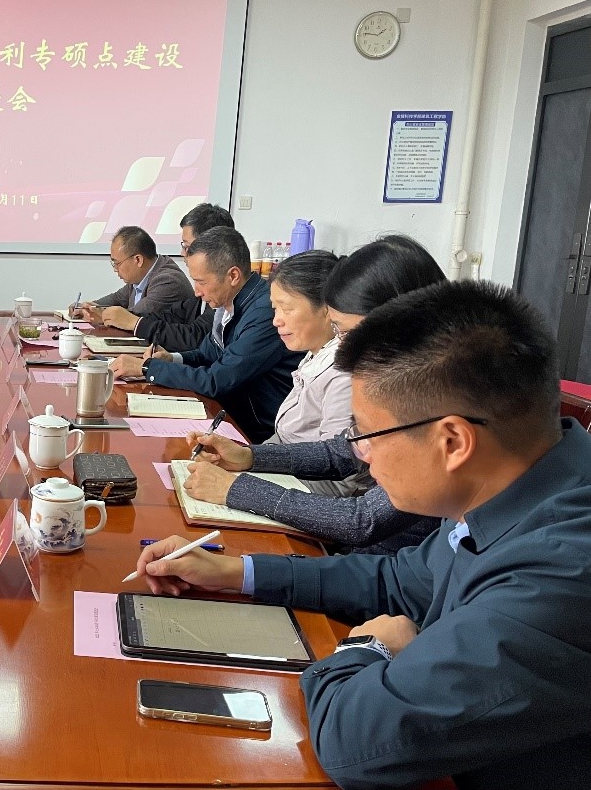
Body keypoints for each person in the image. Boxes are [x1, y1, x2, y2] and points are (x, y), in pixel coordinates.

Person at [137, 280, 591, 789]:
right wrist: (234, 572)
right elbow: (398, 581)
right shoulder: (507, 486)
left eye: (367, 435)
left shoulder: (563, 572)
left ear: (453, 441)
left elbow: (355, 743)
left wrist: (369, 646)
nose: (361, 455)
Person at [185, 234, 447, 554]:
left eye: (347, 333)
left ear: (403, 323)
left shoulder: (434, 400)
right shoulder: (402, 379)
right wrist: (249, 456)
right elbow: (344, 451)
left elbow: (362, 520)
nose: (343, 351)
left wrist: (238, 489)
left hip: (387, 562)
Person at [110, 226, 301, 442]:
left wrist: (147, 368)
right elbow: (206, 354)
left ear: (233, 276)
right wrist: (172, 358)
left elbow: (217, 381)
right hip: (229, 413)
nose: (196, 291)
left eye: (201, 282)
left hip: (256, 431)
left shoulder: (263, 313)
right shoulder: (228, 302)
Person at [98, 203, 232, 350]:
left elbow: (195, 337)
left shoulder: (170, 281)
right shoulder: (200, 298)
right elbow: (171, 316)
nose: (182, 253)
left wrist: (134, 323)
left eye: (187, 246)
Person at [74, 225, 192, 326]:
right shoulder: (140, 277)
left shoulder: (168, 281)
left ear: (138, 260)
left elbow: (132, 318)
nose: (115, 269)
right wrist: (86, 307)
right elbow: (117, 298)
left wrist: (102, 315)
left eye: (117, 263)